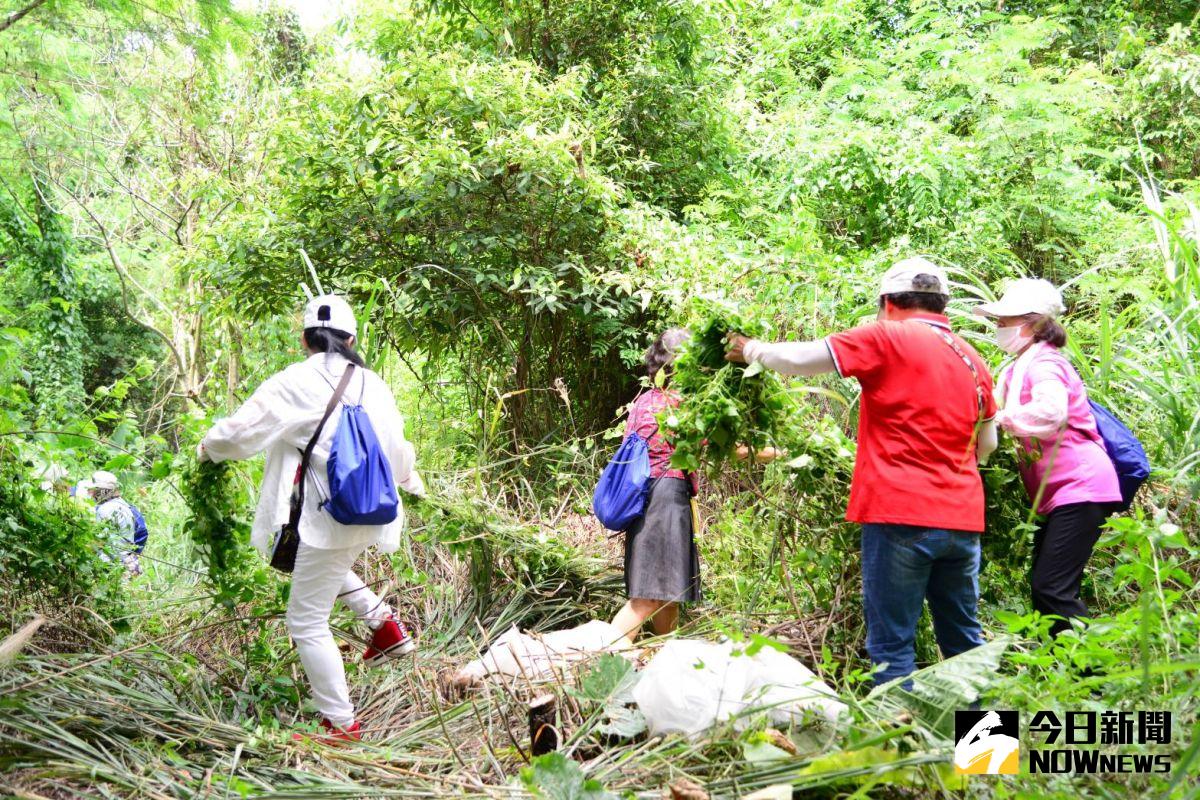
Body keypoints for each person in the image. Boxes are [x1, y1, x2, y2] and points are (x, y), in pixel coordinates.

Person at [725, 257, 999, 686]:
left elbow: (800, 359)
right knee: (964, 644)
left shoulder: (888, 335)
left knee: (892, 646)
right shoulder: (971, 357)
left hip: (900, 512)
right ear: (943, 306)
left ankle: (900, 747)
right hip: (963, 518)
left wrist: (751, 349)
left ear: (888, 303)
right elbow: (989, 444)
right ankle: (988, 755)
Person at [199, 294, 426, 743]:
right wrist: (409, 482)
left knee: (305, 621)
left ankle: (340, 724)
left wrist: (208, 448)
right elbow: (399, 454)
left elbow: (241, 432)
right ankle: (385, 628)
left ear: (304, 339)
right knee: (318, 564)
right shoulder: (373, 383)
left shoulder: (293, 382)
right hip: (374, 510)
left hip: (330, 517)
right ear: (351, 339)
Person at [974, 278, 1121, 636]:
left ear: (1033, 323)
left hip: (1081, 486)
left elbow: (1050, 412)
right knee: (1045, 588)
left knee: (1051, 588)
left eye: (1004, 322)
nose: (998, 329)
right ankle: (1066, 672)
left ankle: (1091, 676)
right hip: (1062, 494)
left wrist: (1000, 420)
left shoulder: (1045, 365)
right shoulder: (1019, 366)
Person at [610, 328, 701, 644]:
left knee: (666, 593)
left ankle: (663, 660)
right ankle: (597, 659)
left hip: (644, 501)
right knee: (647, 598)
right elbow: (727, 448)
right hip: (665, 500)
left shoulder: (643, 401)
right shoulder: (681, 405)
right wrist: (780, 452)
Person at [88, 470, 142, 575]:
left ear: (103, 491)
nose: (91, 494)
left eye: (94, 490)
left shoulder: (105, 509)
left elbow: (99, 542)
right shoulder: (123, 504)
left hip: (113, 566)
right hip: (130, 562)